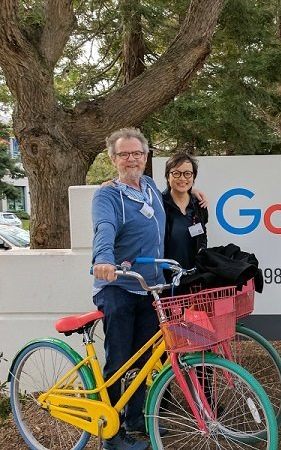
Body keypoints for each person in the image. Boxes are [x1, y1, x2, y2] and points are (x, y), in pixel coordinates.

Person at [92, 127, 164, 450]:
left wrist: (194, 196)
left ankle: (134, 417)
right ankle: (111, 431)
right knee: (119, 359)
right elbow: (104, 227)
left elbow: (171, 210)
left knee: (143, 359)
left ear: (146, 157)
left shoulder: (149, 187)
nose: (131, 158)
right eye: (124, 154)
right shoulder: (108, 194)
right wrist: (103, 258)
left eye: (137, 153)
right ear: (113, 159)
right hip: (118, 285)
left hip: (148, 288)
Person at [162, 152, 208, 293]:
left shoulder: (199, 206)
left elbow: (202, 235)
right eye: (176, 173)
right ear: (168, 177)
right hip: (165, 279)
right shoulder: (159, 204)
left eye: (188, 174)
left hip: (192, 278)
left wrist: (201, 252)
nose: (182, 178)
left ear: (193, 177)